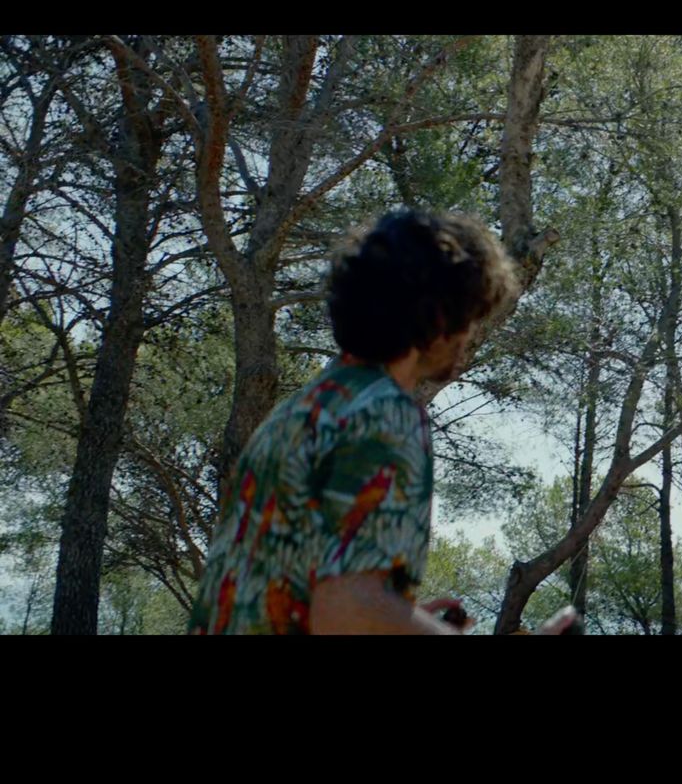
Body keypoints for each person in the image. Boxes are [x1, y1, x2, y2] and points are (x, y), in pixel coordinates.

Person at [187, 209, 572, 635]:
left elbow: (309, 598)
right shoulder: (388, 413)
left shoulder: (306, 407)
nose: (468, 338)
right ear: (440, 317)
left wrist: (403, 619)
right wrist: (379, 612)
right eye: (471, 316)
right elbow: (347, 611)